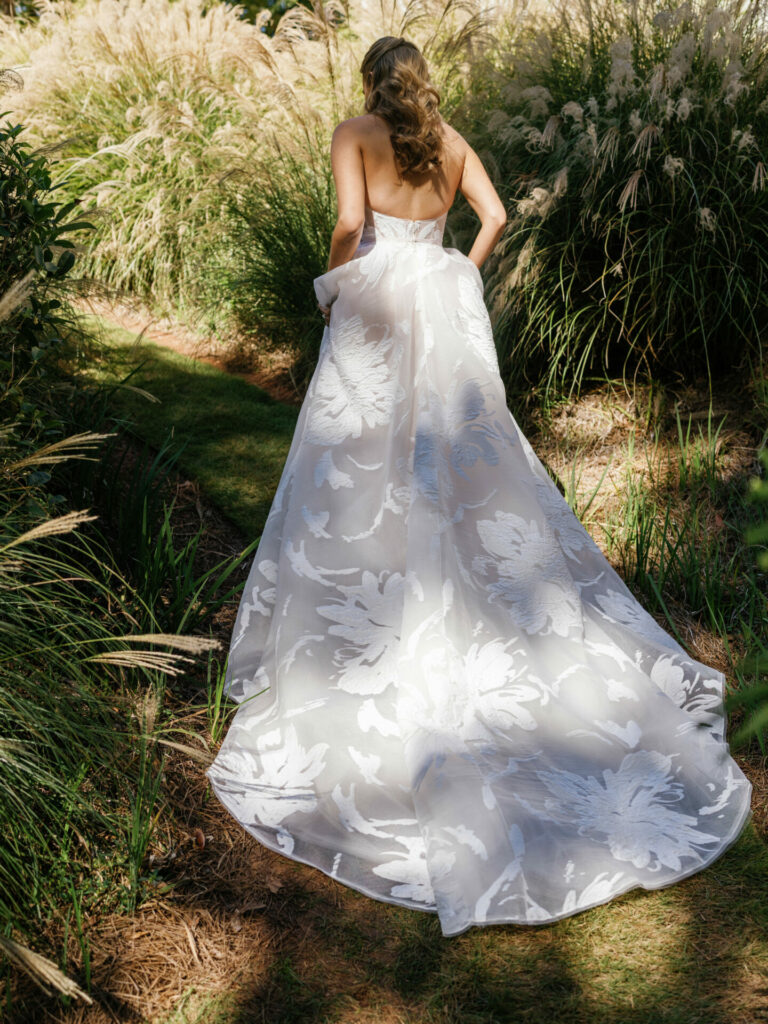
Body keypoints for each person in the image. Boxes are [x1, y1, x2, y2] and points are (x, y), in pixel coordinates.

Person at [206, 36, 752, 937]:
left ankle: (362, 618)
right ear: (421, 81)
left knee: (356, 457)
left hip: (376, 301)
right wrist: (458, 270)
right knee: (461, 454)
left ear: (369, 83)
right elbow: (492, 217)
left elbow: (349, 225)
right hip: (441, 300)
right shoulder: (451, 142)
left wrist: (336, 284)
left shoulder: (354, 132)